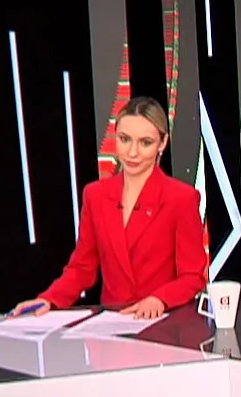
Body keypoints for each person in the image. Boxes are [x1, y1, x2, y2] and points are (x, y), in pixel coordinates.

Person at [11, 96, 208, 320]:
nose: (132, 152)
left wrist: (159, 299)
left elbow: (193, 276)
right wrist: (49, 299)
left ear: (162, 143)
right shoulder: (95, 195)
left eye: (145, 142)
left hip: (164, 323)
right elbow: (82, 268)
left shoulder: (181, 198)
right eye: (125, 139)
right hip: (113, 323)